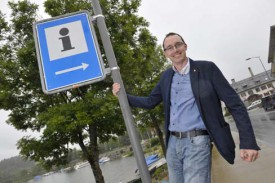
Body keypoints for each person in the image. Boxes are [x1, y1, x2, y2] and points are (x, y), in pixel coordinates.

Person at [112, 32, 260, 183]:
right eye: (169, 48)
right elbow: (150, 102)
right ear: (165, 54)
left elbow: (235, 105)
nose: (175, 50)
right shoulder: (166, 77)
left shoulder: (207, 69)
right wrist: (123, 96)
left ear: (185, 46)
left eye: (178, 45)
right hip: (173, 145)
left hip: (197, 142)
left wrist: (248, 142)